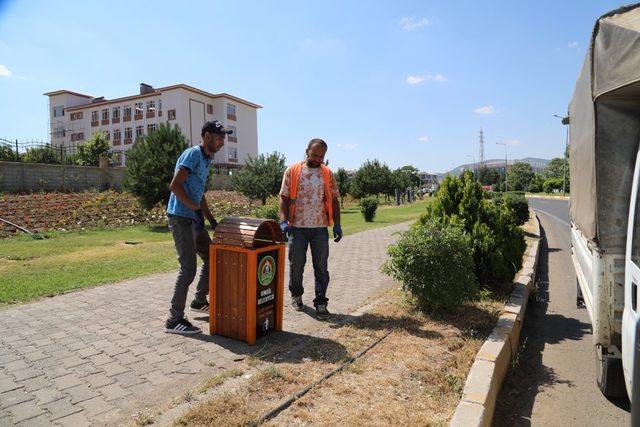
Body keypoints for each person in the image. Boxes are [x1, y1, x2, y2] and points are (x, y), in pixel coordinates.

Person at [164, 120, 231, 334]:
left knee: (212, 256)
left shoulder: (207, 159)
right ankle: (174, 320)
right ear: (206, 136)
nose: (222, 141)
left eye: (223, 137)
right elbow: (175, 185)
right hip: (180, 217)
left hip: (194, 217)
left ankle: (199, 300)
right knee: (188, 268)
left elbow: (198, 192)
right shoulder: (192, 154)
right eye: (219, 137)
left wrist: (210, 219)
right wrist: (194, 209)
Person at [278, 138, 342, 320]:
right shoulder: (293, 171)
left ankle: (321, 302)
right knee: (296, 265)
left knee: (321, 267)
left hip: (320, 228)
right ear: (307, 151)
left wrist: (337, 224)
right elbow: (283, 198)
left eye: (321, 156)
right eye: (315, 155)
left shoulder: (328, 174)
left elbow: (335, 200)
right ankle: (296, 294)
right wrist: (283, 221)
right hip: (297, 228)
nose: (318, 159)